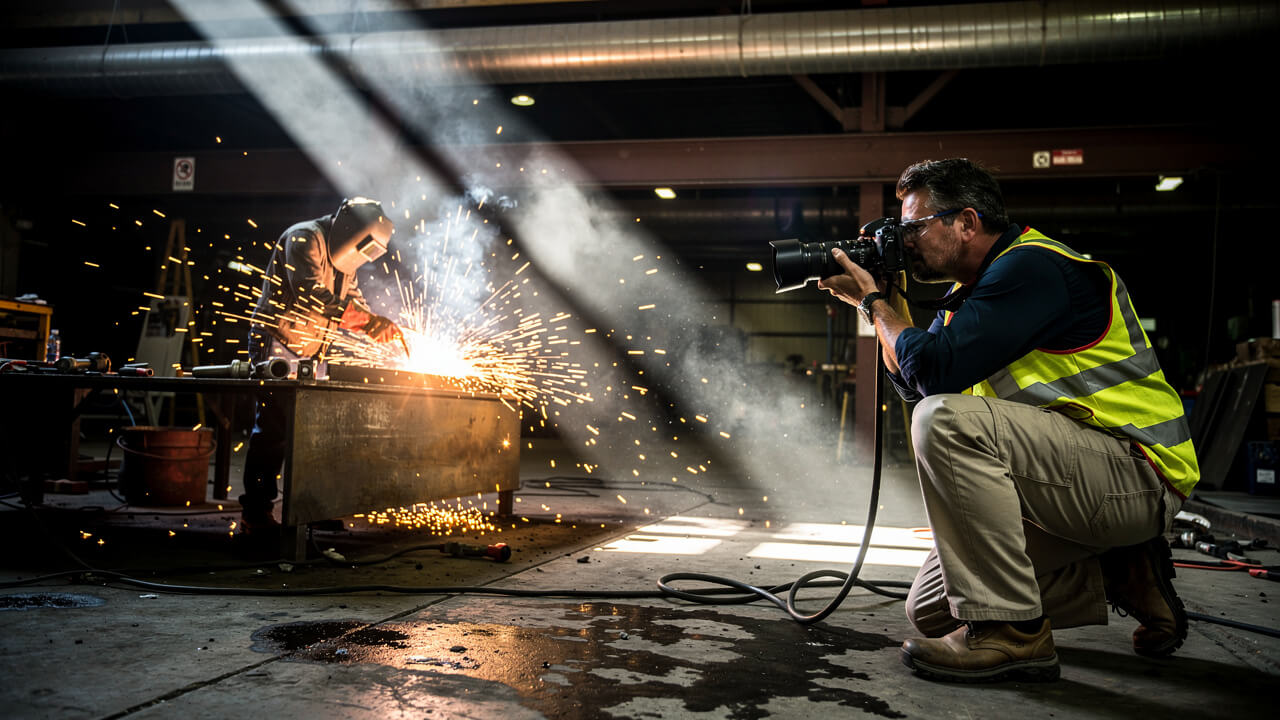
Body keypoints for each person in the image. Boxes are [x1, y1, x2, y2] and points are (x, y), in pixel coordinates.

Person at [817, 158, 1199, 683]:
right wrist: (882, 305)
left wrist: (875, 301)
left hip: (1132, 471)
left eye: (914, 227)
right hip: (1063, 485)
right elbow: (914, 377)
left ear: (967, 222)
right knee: (932, 609)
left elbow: (934, 380)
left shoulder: (1031, 268)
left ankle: (1013, 637)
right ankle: (1120, 570)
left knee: (944, 421)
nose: (906, 242)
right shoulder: (968, 295)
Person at [240, 197, 403, 533]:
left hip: (315, 349)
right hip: (278, 341)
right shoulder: (304, 238)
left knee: (316, 433)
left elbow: (353, 299)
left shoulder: (347, 256)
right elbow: (309, 293)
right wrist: (366, 322)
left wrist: (377, 326)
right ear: (349, 228)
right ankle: (255, 513)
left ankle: (311, 508)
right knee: (274, 428)